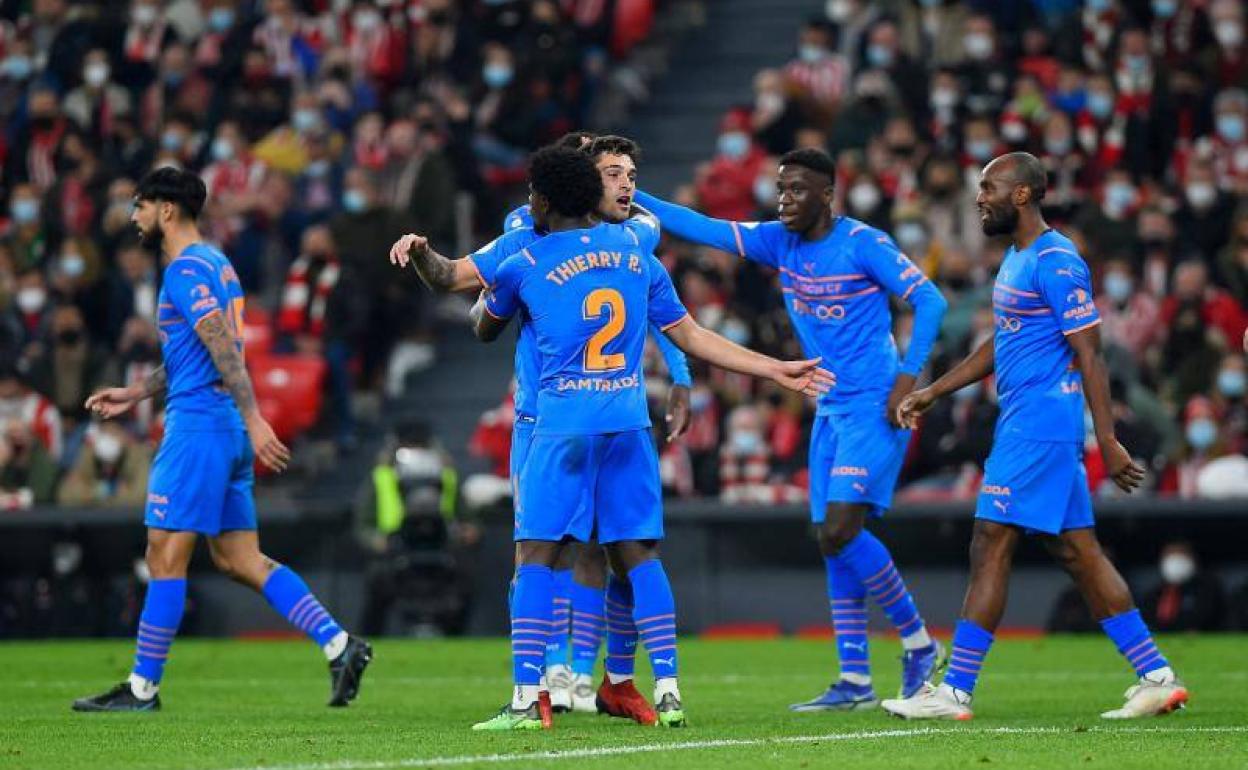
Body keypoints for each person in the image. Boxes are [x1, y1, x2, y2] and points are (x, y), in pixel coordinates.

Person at [467, 145, 831, 730]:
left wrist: (426, 259)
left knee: (535, 555)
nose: (627, 185)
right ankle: (662, 687)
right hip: (629, 425)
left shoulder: (524, 254)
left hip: (557, 427)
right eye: (616, 175)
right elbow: (690, 334)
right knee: (635, 554)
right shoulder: (638, 252)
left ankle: (529, 697)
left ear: (543, 198)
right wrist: (773, 367)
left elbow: (476, 311)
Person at [390, 133, 693, 723]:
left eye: (628, 173)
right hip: (554, 412)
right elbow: (476, 304)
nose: (624, 185)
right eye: (610, 173)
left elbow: (668, 313)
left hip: (564, 416)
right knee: (570, 549)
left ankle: (575, 676)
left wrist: (679, 374)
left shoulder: (632, 234)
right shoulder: (545, 230)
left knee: (587, 549)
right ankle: (567, 668)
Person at [634, 146, 949, 712]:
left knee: (840, 531)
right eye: (781, 189)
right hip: (827, 408)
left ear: (828, 194)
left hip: (876, 407)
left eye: (798, 190)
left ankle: (920, 644)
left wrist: (908, 379)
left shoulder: (864, 243)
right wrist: (631, 197)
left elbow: (930, 301)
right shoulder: (778, 241)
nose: (785, 199)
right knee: (832, 543)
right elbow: (701, 227)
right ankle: (855, 680)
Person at [886, 152, 1187, 721]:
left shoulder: (1055, 258)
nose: (980, 197)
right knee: (1078, 551)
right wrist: (934, 391)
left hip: (1040, 426)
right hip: (1030, 423)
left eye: (989, 187)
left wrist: (1109, 437)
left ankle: (954, 691)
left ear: (1022, 194)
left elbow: (1090, 352)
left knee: (990, 541)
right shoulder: (1017, 259)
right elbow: (1001, 344)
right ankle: (1155, 675)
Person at [71, 168, 371, 713]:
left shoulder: (183, 269)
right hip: (222, 426)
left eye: (139, 206)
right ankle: (339, 643)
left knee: (164, 554)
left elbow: (222, 348)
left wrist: (255, 417)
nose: (133, 217)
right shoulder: (217, 264)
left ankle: (142, 689)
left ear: (166, 210)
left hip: (201, 428)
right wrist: (137, 393)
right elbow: (197, 351)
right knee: (239, 558)